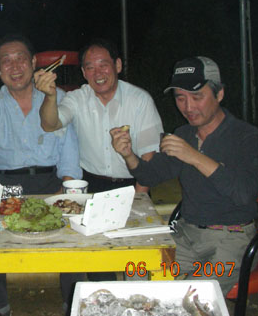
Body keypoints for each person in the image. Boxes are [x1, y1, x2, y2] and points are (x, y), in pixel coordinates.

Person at [111, 56, 258, 294]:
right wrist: (128, 155)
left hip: (232, 241)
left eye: (197, 96)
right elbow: (150, 176)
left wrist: (194, 156)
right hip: (187, 236)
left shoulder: (245, 136)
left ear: (219, 94)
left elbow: (244, 194)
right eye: (180, 98)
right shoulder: (184, 134)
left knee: (189, 295)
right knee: (137, 270)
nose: (188, 107)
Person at [0, 34, 81, 316]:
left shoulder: (58, 96)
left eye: (21, 59)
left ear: (33, 62)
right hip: (7, 185)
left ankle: (74, 304)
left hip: (49, 181)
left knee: (72, 235)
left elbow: (69, 149)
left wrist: (68, 189)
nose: (15, 66)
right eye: (6, 61)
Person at [35, 38, 163, 285]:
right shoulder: (77, 98)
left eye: (104, 65)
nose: (98, 73)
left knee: (135, 257)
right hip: (93, 187)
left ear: (117, 65)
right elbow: (50, 124)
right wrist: (50, 96)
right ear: (84, 73)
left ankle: (137, 298)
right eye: (90, 67)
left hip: (134, 184)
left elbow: (150, 156)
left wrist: (139, 198)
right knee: (97, 258)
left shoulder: (140, 100)